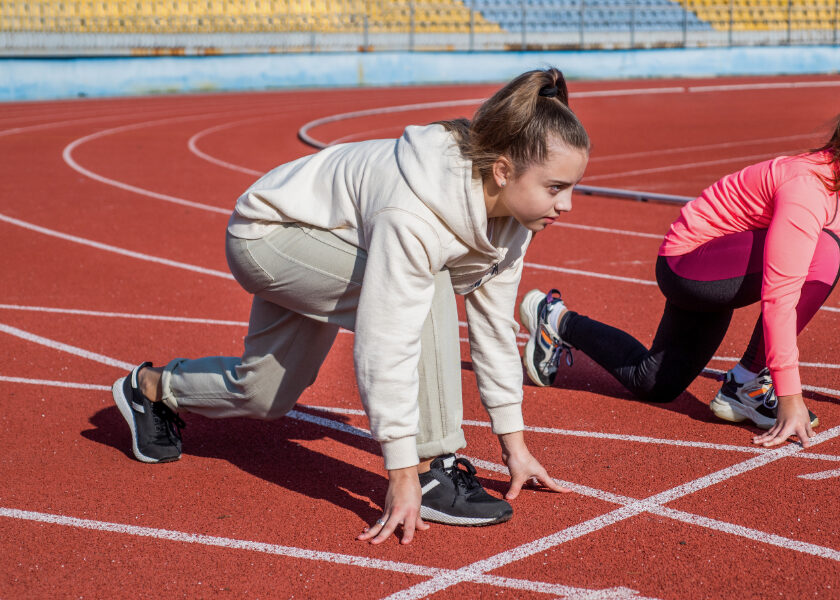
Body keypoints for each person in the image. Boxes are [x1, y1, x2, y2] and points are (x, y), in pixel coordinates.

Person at [111, 67, 590, 545]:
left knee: (263, 395)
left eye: (571, 187)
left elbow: (494, 327)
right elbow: (388, 337)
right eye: (555, 187)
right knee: (427, 289)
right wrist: (403, 468)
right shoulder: (418, 211)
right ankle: (432, 470)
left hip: (339, 241)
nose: (567, 204)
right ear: (503, 171)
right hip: (269, 235)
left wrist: (515, 446)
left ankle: (151, 388)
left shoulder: (515, 220)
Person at [520, 118, 840, 450]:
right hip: (690, 264)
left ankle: (555, 320)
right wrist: (790, 395)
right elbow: (781, 294)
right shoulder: (808, 186)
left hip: (720, 268)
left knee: (654, 384)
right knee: (825, 252)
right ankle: (749, 382)